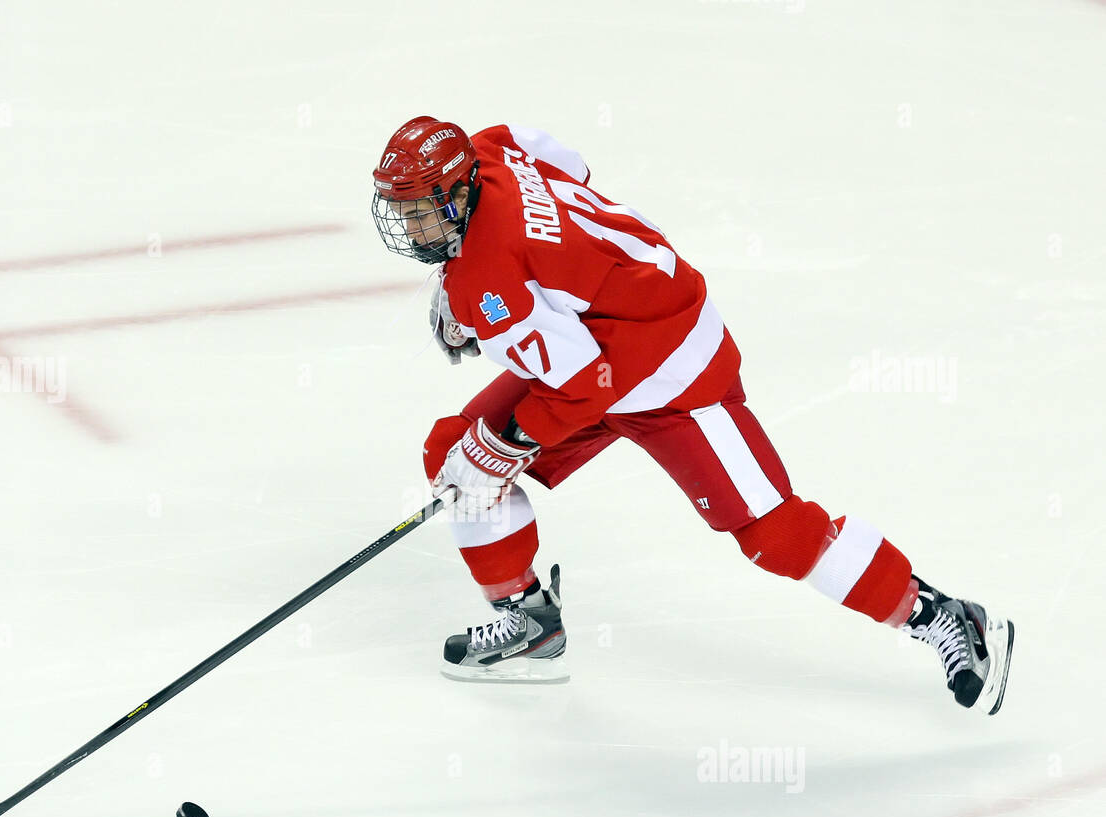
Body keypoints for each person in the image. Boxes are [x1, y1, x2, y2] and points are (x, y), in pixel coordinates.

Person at [371, 116, 1013, 712]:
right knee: (452, 447)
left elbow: (580, 388)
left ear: (459, 194)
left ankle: (944, 615)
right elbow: (568, 164)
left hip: (672, 369)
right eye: (401, 210)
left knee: (778, 538)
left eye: (420, 212)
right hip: (603, 349)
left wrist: (500, 446)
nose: (409, 229)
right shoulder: (491, 148)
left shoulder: (489, 279)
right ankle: (529, 622)